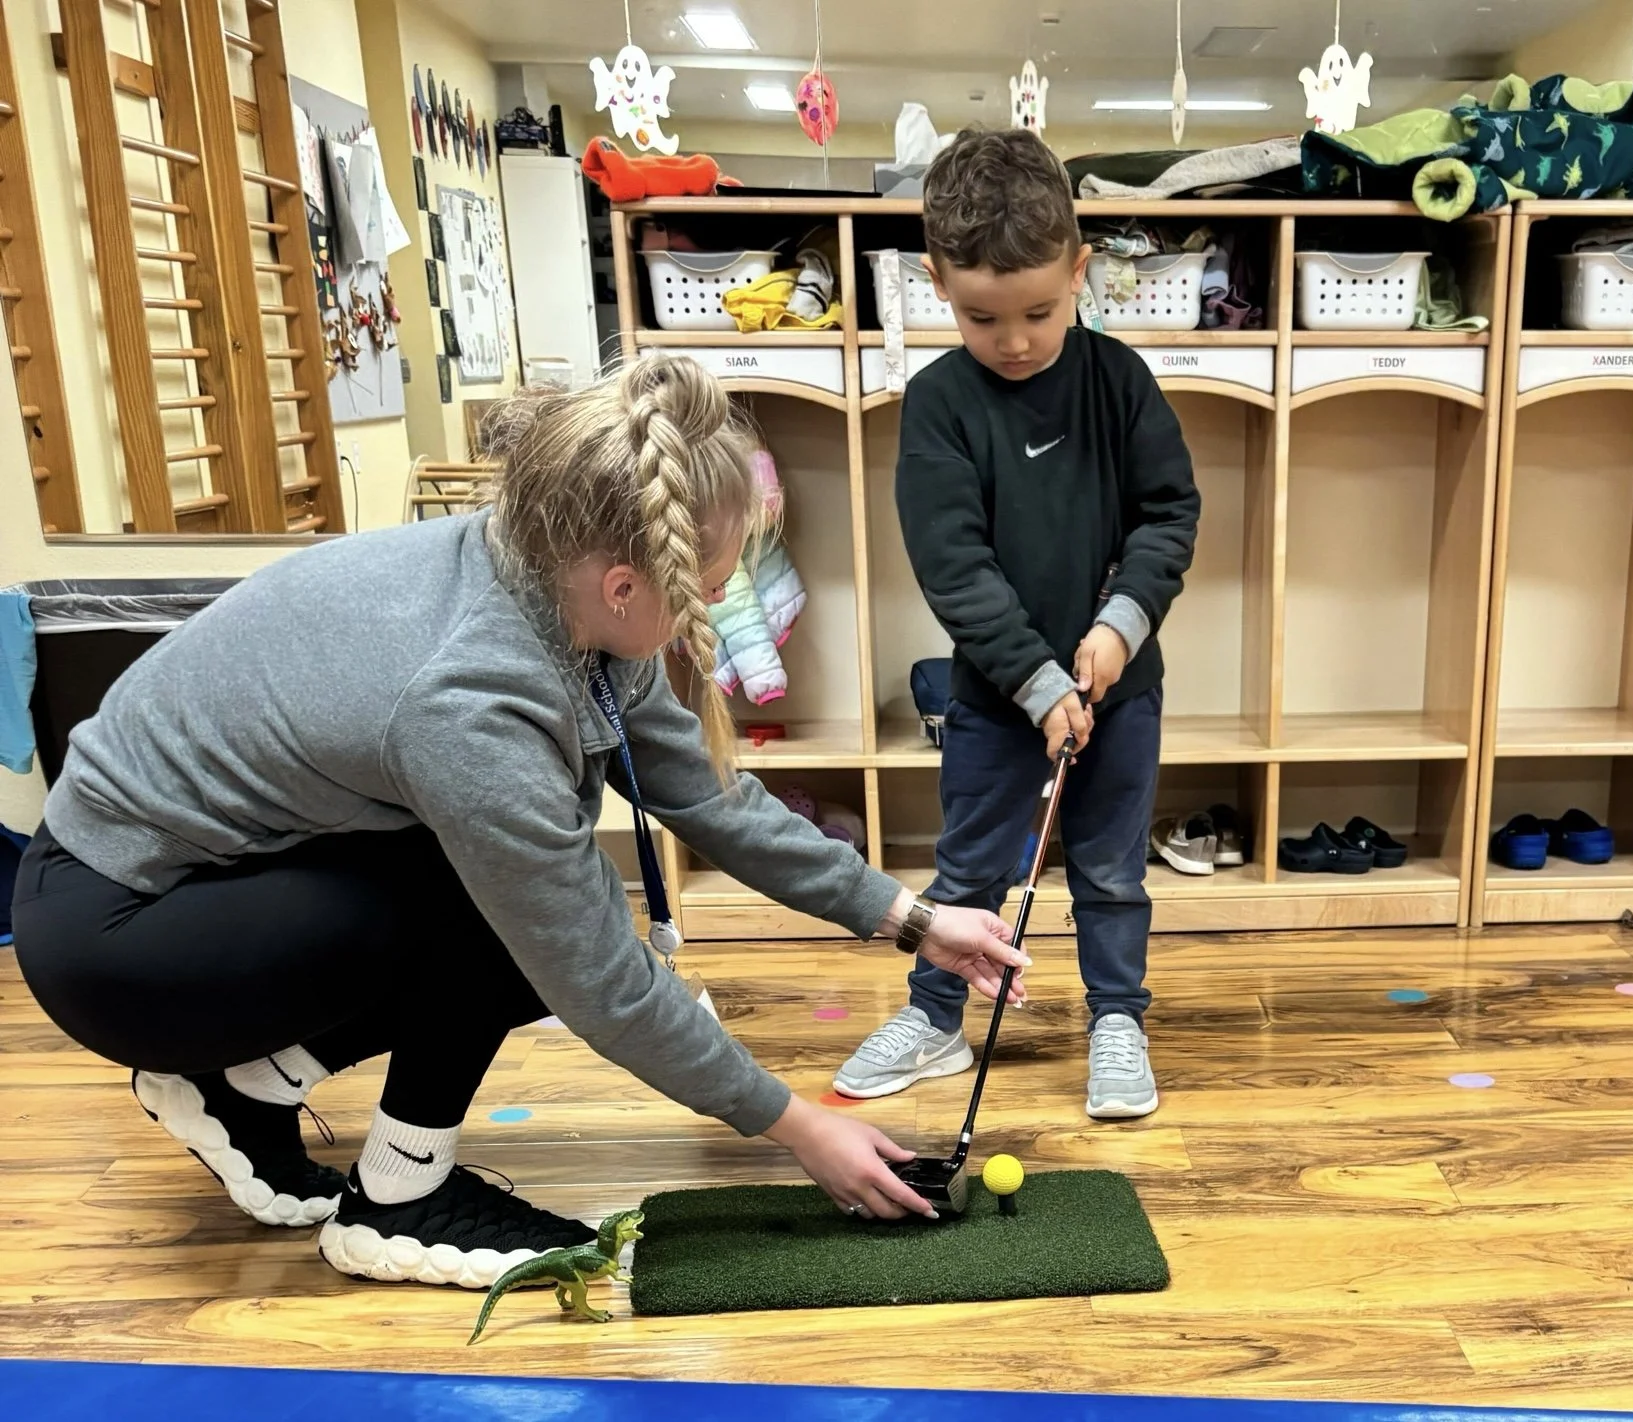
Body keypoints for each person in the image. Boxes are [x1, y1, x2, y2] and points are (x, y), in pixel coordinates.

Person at [9, 354, 1028, 1290]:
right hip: (125, 936)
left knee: (508, 898)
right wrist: (800, 1128)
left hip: (214, 881)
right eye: (710, 588)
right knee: (516, 917)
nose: (713, 606)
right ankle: (398, 1201)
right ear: (626, 584)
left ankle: (245, 1089)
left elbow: (706, 795)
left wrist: (911, 918)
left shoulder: (556, 571)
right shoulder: (470, 700)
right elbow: (599, 982)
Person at [833, 128, 1200, 1119]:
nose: (1016, 341)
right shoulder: (938, 404)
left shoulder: (1119, 381)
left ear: (1080, 272)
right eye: (982, 317)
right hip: (997, 701)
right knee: (970, 867)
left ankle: (1117, 1018)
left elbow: (1169, 516)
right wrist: (1038, 684)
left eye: (1040, 311)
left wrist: (1120, 627)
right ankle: (935, 1018)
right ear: (935, 283)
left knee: (1112, 870)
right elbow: (955, 568)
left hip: (1122, 692)